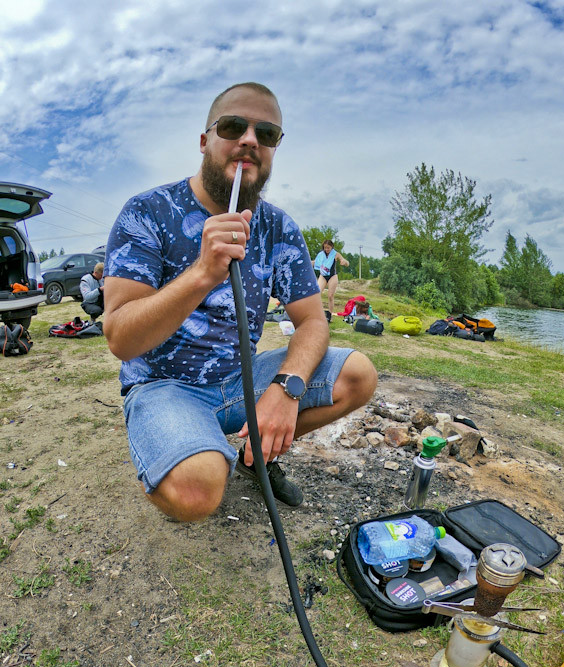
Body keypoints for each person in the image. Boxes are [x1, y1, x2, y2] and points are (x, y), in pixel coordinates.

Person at [103, 82, 377, 522]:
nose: (250, 139)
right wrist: (200, 274)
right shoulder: (147, 212)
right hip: (165, 385)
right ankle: (176, 450)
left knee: (358, 375)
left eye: (266, 134)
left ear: (273, 149)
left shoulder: (278, 227)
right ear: (204, 140)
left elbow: (312, 321)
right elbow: (120, 337)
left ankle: (256, 452)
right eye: (233, 126)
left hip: (241, 383)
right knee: (198, 491)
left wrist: (286, 390)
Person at [312, 240, 349, 321]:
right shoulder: (321, 255)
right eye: (325, 248)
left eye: (328, 248)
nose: (327, 249)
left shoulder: (336, 254)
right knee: (317, 294)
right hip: (323, 276)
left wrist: (344, 262)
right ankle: (318, 313)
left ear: (332, 247)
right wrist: (306, 263)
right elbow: (315, 262)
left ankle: (330, 315)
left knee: (330, 296)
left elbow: (346, 262)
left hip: (332, 276)